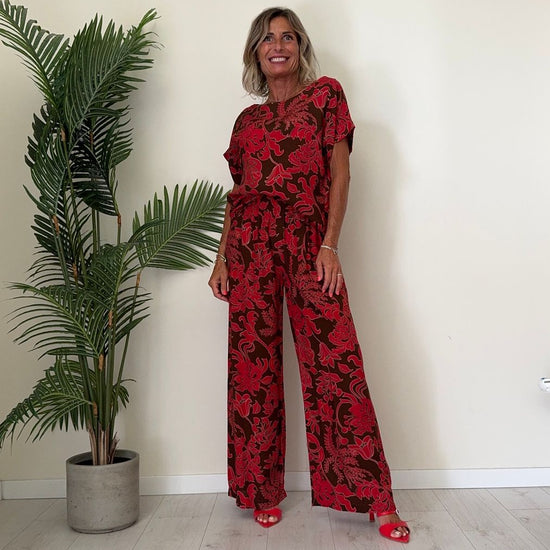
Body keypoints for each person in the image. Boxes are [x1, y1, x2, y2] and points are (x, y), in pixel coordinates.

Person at [208, 7, 410, 544]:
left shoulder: (325, 97)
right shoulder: (246, 123)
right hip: (250, 248)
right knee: (252, 371)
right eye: (267, 39)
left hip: (307, 244)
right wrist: (222, 258)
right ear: (255, 53)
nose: (277, 46)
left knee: (336, 364)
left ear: (300, 47)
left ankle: (375, 498)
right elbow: (237, 195)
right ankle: (260, 490)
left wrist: (329, 245)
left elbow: (341, 174)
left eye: (287, 37)